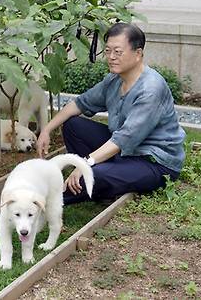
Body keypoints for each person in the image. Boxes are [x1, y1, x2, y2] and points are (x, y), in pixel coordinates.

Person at [36, 22, 185, 204]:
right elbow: (80, 103)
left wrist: (86, 163)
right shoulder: (114, 80)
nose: (111, 57)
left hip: (153, 162)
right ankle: (107, 184)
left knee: (90, 175)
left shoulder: (150, 89)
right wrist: (47, 129)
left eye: (118, 52)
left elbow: (125, 138)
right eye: (108, 51)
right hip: (124, 153)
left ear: (138, 54)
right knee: (73, 126)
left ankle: (35, 202)